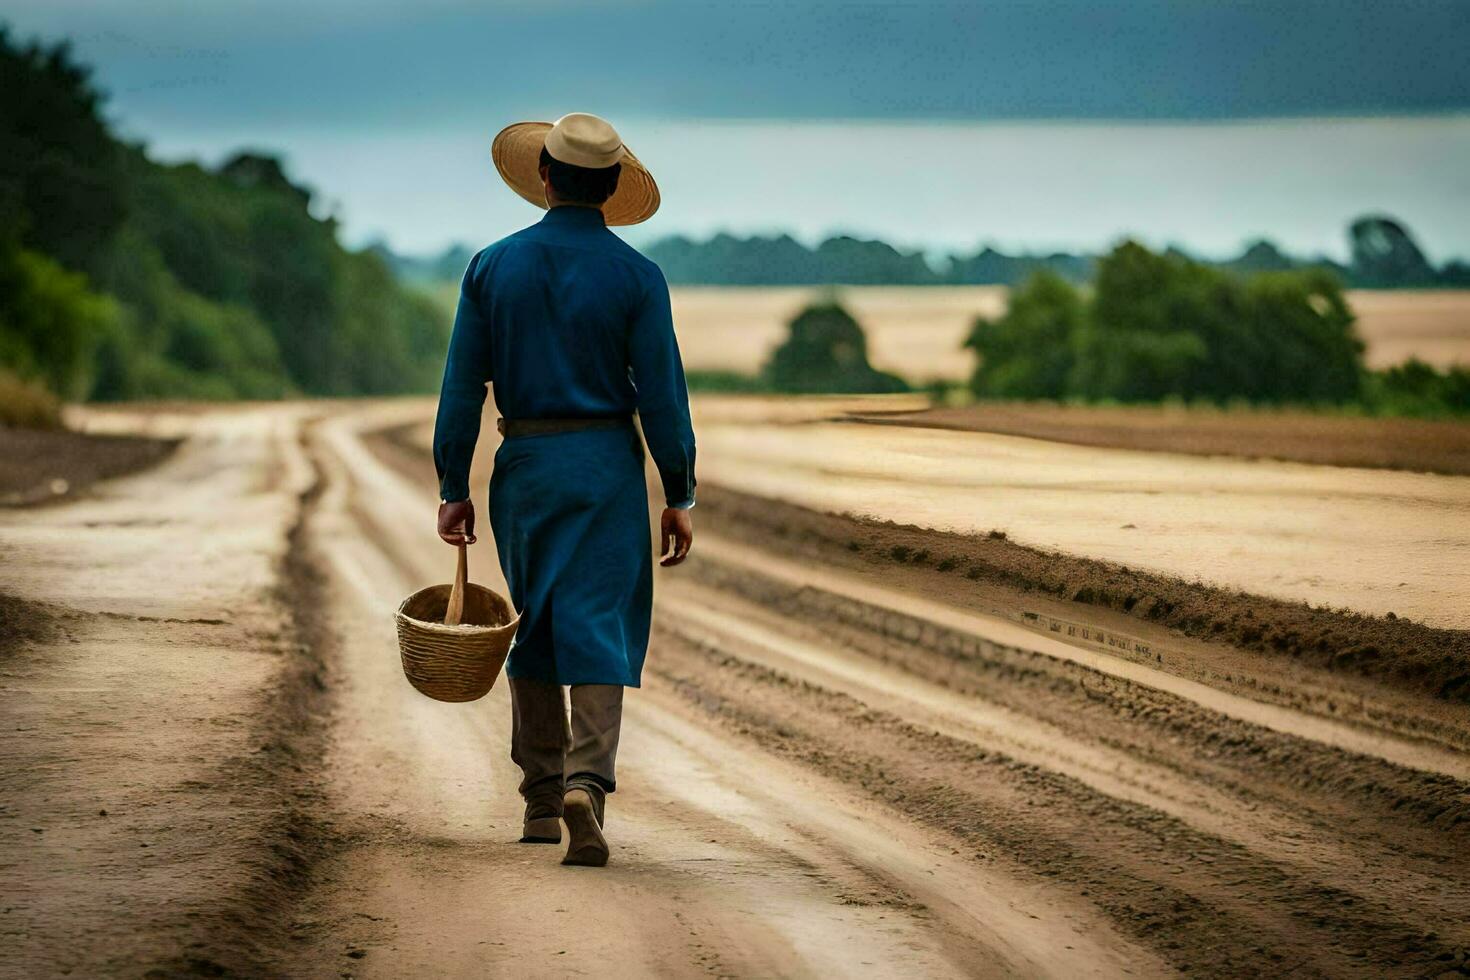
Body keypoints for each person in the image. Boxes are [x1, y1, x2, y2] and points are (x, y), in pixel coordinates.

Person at [432, 113, 696, 868]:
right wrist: (679, 488)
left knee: (537, 619)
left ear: (544, 178)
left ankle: (542, 798)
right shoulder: (639, 278)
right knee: (601, 621)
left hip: (525, 468)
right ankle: (588, 780)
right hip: (608, 469)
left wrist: (454, 481)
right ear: (612, 188)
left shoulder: (490, 268)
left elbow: (462, 388)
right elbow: (663, 397)